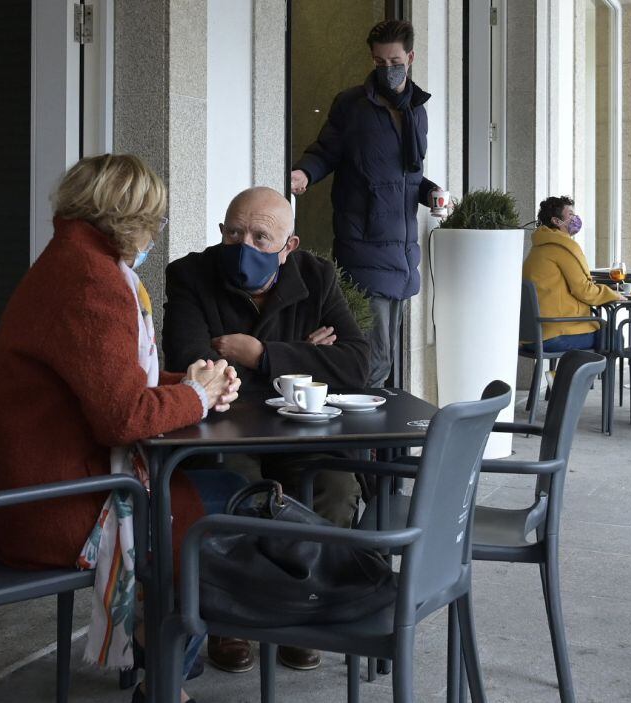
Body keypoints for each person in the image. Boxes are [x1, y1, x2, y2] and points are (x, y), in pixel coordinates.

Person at [0, 154, 243, 703]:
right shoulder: (92, 282)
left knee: (219, 497)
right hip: (62, 505)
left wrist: (189, 384)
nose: (156, 232)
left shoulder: (70, 262)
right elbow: (122, 417)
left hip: (41, 490)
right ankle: (166, 678)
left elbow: (109, 382)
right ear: (131, 217)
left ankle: (162, 656)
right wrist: (195, 396)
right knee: (234, 509)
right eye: (156, 219)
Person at [163, 186, 370, 675]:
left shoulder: (316, 276)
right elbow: (191, 364)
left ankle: (303, 611)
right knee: (235, 492)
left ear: (289, 246)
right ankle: (230, 618)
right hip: (225, 430)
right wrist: (305, 354)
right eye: (234, 232)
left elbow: (358, 364)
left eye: (261, 237)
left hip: (302, 431)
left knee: (336, 490)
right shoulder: (190, 274)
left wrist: (259, 354)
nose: (245, 246)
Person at [290, 19, 441, 389]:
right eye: (379, 63)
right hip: (364, 249)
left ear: (410, 57)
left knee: (384, 359)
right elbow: (326, 151)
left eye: (394, 62)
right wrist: (304, 173)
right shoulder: (351, 105)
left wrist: (432, 192)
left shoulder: (416, 112)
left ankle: (375, 444)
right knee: (370, 362)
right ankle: (361, 444)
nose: (387, 70)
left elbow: (408, 177)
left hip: (403, 256)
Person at [522, 196, 623, 354]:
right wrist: (613, 295)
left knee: (603, 330)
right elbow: (584, 290)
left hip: (531, 336)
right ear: (556, 221)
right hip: (554, 334)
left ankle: (562, 376)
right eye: (570, 214)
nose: (576, 218)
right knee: (612, 336)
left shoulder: (538, 247)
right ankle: (574, 378)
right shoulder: (562, 247)